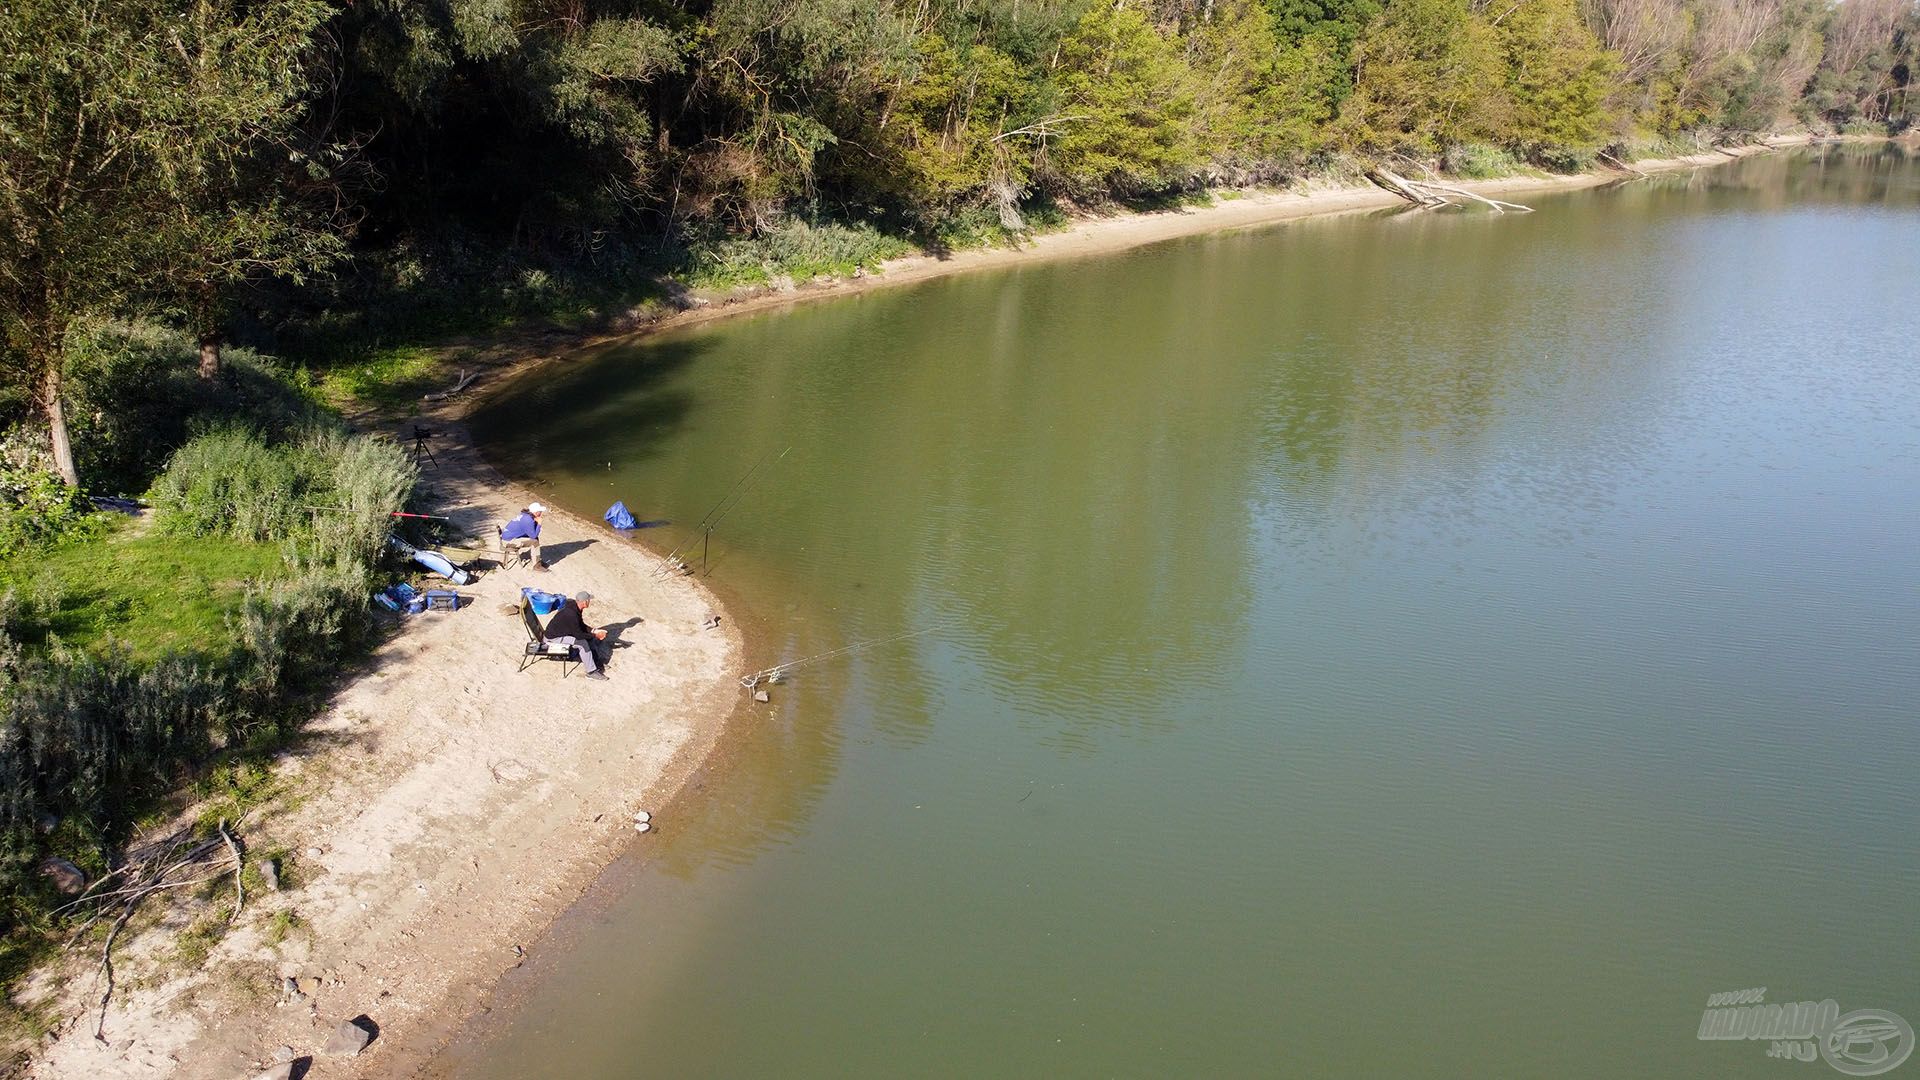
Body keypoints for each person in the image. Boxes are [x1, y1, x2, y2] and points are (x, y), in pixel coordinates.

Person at [543, 591, 610, 681]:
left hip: (560, 634)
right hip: (553, 639)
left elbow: (580, 625)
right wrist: (595, 636)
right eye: (589, 600)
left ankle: (596, 663)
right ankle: (591, 672)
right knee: (582, 643)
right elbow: (579, 635)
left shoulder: (575, 608)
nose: (589, 602)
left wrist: (593, 631)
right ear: (584, 602)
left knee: (588, 638)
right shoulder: (572, 614)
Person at [501, 503, 546, 570]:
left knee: (535, 538)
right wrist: (539, 523)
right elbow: (533, 535)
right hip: (509, 542)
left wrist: (536, 522)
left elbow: (531, 532)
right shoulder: (528, 520)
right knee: (535, 541)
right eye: (540, 512)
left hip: (507, 537)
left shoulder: (525, 515)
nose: (541, 513)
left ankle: (536, 560)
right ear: (536, 513)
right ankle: (536, 565)